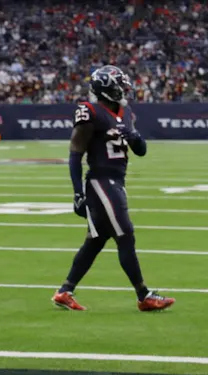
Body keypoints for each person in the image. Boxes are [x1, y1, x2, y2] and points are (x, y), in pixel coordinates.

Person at [51, 65, 175, 313]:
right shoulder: (90, 111)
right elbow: (75, 153)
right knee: (125, 234)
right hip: (100, 181)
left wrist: (134, 137)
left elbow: (141, 150)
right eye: (120, 86)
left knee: (96, 240)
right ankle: (144, 295)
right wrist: (77, 193)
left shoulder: (126, 112)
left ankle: (65, 291)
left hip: (117, 181)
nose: (125, 90)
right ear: (106, 89)